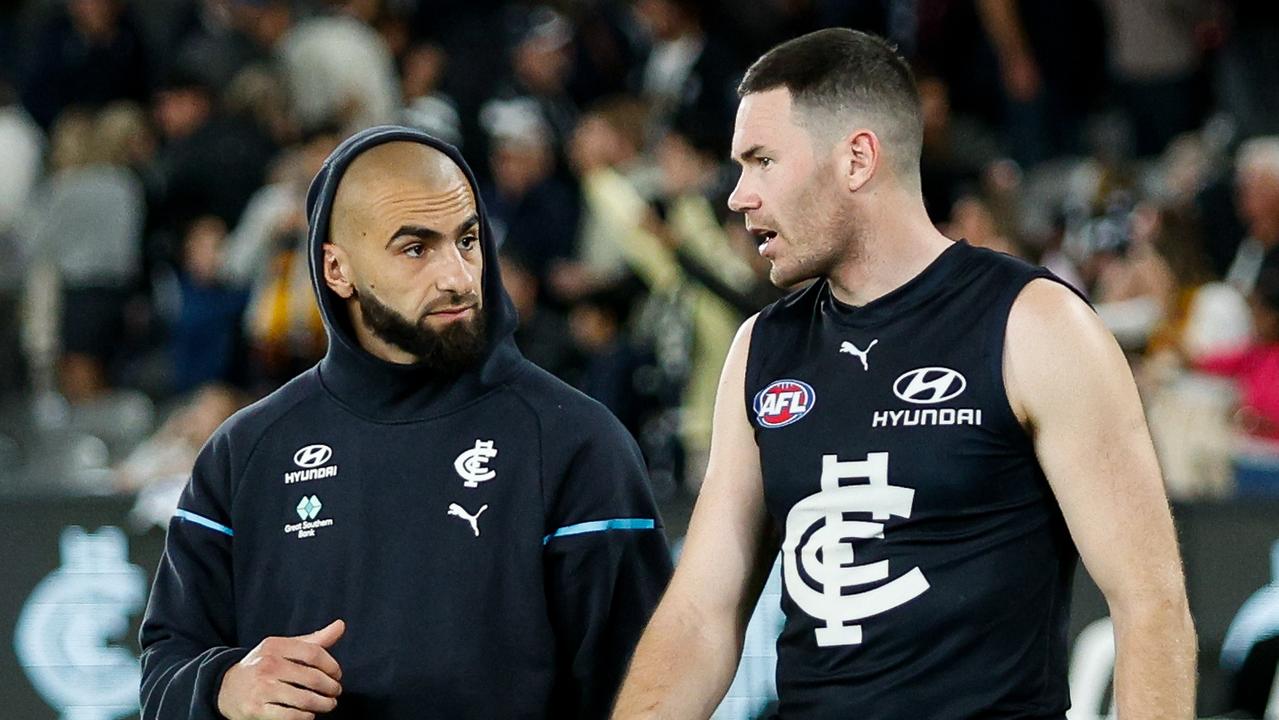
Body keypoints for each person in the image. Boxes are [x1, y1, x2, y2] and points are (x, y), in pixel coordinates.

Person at [612, 29, 1195, 719]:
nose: (738, 196)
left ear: (856, 159)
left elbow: (1149, 604)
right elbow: (701, 614)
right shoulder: (760, 349)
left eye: (762, 161)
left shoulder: (1033, 325)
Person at [139, 126, 673, 719]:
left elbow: (649, 693)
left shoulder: (578, 443)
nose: (456, 276)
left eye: (468, 240)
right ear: (336, 270)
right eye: (416, 248)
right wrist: (223, 688)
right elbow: (165, 667)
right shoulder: (245, 452)